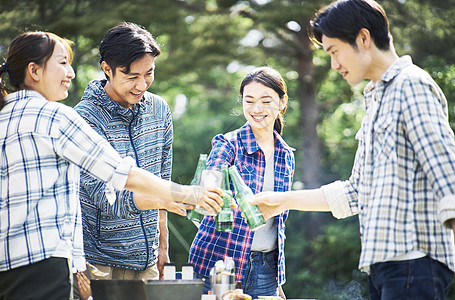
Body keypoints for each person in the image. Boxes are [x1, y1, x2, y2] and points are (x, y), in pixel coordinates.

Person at [249, 0, 455, 299]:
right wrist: (282, 200)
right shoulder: (375, 98)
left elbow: (447, 173)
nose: (333, 64)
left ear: (363, 38)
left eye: (334, 51)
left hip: (415, 263)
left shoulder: (410, 85)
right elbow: (356, 192)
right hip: (385, 265)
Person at [0, 31, 222, 300]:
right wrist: (185, 193)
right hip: (66, 262)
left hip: (13, 263)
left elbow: (158, 174)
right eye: (62, 63)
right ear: (34, 70)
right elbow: (119, 176)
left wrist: (162, 242)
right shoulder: (61, 118)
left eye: (149, 74)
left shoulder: (5, 116)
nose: (70, 73)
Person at [73, 22, 172, 288]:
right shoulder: (84, 118)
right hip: (99, 264)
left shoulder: (160, 111)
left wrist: (162, 246)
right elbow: (102, 197)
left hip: (148, 262)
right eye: (131, 76)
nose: (142, 85)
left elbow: (163, 179)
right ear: (107, 69)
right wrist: (175, 196)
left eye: (149, 73)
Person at [189, 67, 295, 299]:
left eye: (266, 101)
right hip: (219, 263)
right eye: (249, 101)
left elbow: (279, 222)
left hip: (266, 268)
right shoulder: (228, 144)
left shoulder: (286, 155)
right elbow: (211, 176)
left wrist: (275, 280)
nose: (257, 109)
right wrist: (210, 188)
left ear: (282, 102)